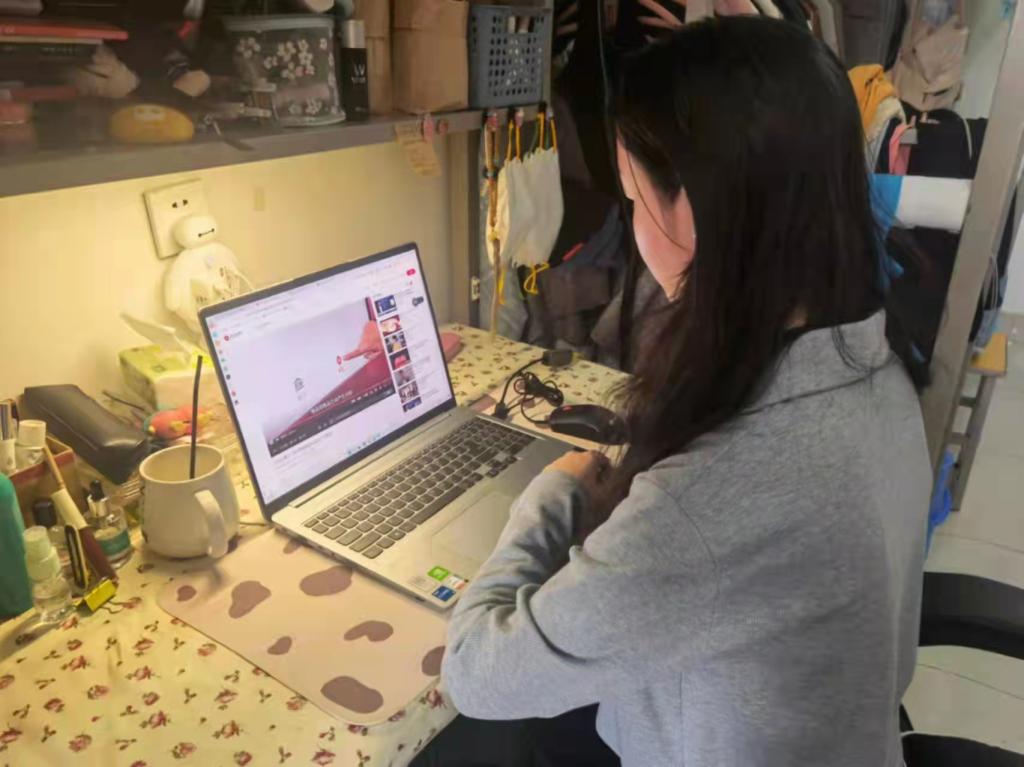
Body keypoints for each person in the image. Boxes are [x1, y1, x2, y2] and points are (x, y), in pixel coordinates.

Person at [423, 16, 932, 767]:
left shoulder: (718, 497)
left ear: (691, 207)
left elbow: (475, 672)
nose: (632, 224)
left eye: (634, 198)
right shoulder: (872, 356)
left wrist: (557, 487)